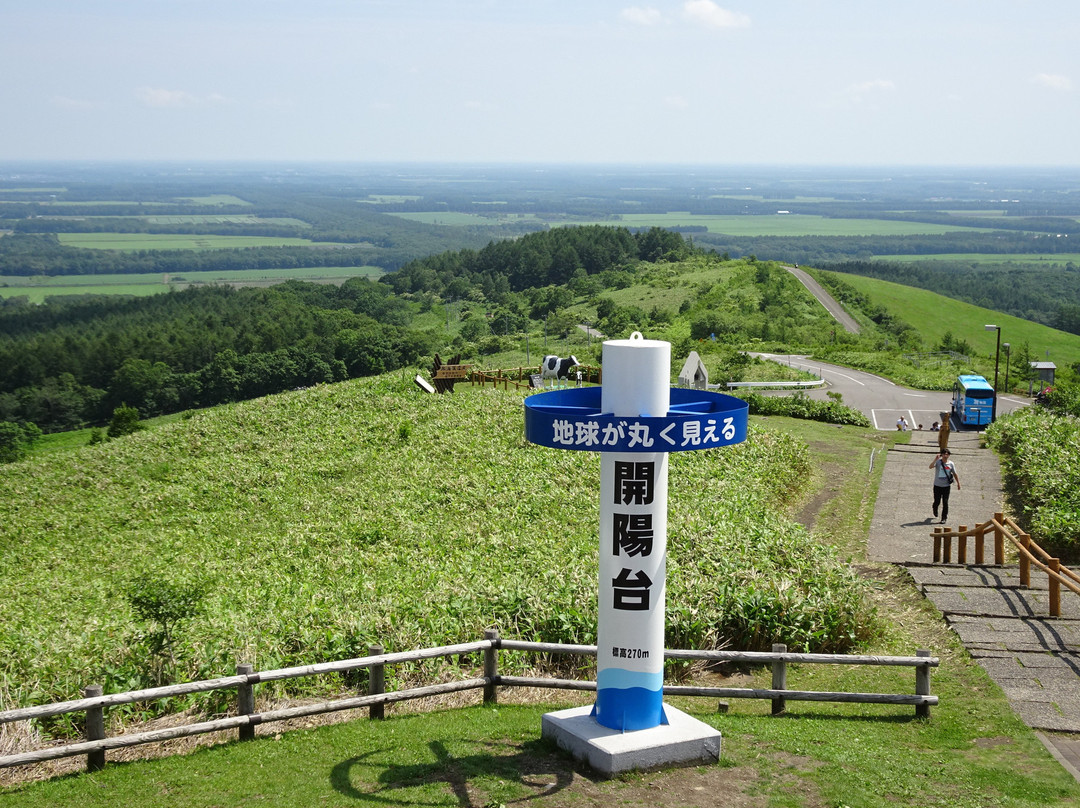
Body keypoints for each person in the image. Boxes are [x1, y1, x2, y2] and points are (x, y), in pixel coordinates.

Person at [929, 448, 960, 523]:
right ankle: (935, 507)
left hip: (946, 486)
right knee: (937, 501)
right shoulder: (938, 462)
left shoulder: (951, 464)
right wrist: (935, 459)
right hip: (937, 485)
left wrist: (958, 483)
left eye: (947, 454)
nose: (946, 456)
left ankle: (944, 518)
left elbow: (955, 474)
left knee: (945, 502)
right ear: (941, 454)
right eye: (944, 454)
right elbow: (930, 466)